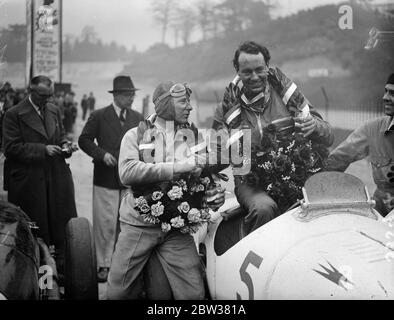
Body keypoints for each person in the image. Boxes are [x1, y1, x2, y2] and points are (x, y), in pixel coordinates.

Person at [107, 81, 225, 300]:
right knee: (118, 293)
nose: (189, 107)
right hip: (138, 225)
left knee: (194, 294)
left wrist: (212, 192)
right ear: (165, 104)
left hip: (176, 229)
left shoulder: (193, 137)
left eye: (189, 101)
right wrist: (179, 167)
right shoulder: (134, 135)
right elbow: (127, 173)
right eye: (183, 101)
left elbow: (207, 171)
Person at [211, 41, 334, 235]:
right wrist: (225, 149)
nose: (254, 77)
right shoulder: (225, 109)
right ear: (237, 70)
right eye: (247, 71)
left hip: (296, 176)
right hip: (250, 182)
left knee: (325, 205)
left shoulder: (289, 96)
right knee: (263, 209)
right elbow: (215, 157)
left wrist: (315, 126)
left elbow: (329, 137)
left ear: (268, 66)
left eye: (259, 69)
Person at [2, 75, 77, 271]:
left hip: (54, 175)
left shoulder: (53, 109)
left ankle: (59, 265)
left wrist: (65, 146)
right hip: (28, 178)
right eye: (43, 95)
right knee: (33, 225)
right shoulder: (13, 114)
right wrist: (42, 150)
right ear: (31, 91)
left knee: (60, 221)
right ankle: (31, 264)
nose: (48, 100)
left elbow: (59, 136)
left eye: (50, 95)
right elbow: (10, 148)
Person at [78, 75, 144, 282]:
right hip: (105, 178)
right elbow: (84, 140)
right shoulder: (98, 116)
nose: (131, 98)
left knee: (128, 223)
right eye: (127, 95)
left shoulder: (138, 118)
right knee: (105, 224)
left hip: (129, 181)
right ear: (115, 95)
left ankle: (122, 264)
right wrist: (101, 154)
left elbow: (146, 145)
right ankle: (103, 264)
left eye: (133, 94)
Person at [325, 73, 394, 217]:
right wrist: (310, 183)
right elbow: (339, 158)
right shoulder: (372, 129)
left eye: (392, 93)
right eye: (386, 91)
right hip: (381, 213)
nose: (385, 97)